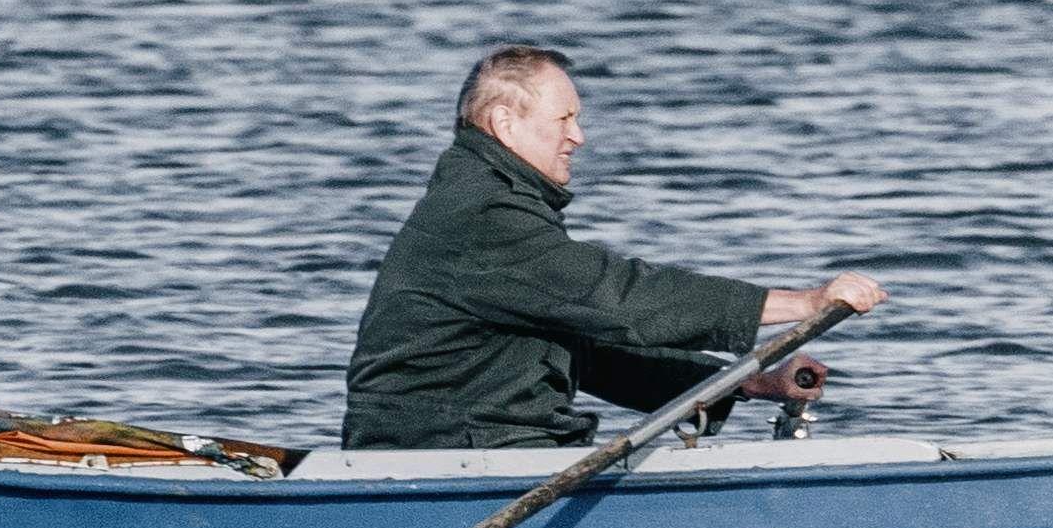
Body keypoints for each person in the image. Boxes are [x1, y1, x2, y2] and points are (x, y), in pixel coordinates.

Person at [340, 45, 884, 453]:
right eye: (564, 119)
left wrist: (749, 381)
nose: (579, 136)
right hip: (445, 456)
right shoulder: (482, 216)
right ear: (505, 125)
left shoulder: (491, 205)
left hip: (486, 448)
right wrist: (805, 303)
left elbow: (592, 353)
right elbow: (620, 298)